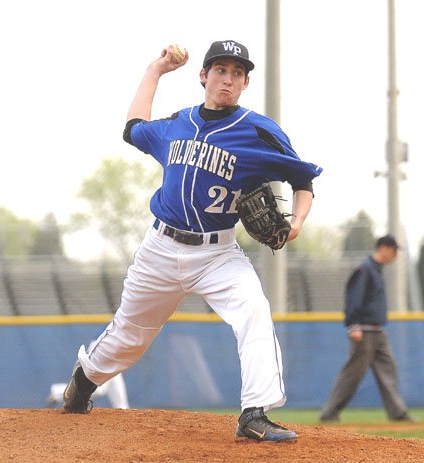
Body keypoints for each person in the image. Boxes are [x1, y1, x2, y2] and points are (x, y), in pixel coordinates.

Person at [62, 39, 322, 443]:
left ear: (245, 83)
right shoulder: (178, 123)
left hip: (217, 254)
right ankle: (85, 378)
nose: (228, 79)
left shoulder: (258, 131)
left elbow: (302, 177)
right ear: (204, 76)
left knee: (253, 310)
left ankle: (255, 413)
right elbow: (133, 128)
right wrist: (156, 70)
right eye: (221, 70)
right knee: (130, 337)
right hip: (160, 250)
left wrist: (298, 222)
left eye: (237, 73)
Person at [320, 235, 415, 423]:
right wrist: (353, 324)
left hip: (377, 331)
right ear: (385, 248)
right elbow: (353, 298)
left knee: (388, 368)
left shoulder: (376, 270)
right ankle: (329, 412)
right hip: (363, 331)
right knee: (352, 374)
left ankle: (397, 412)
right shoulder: (365, 269)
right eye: (394, 250)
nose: (395, 255)